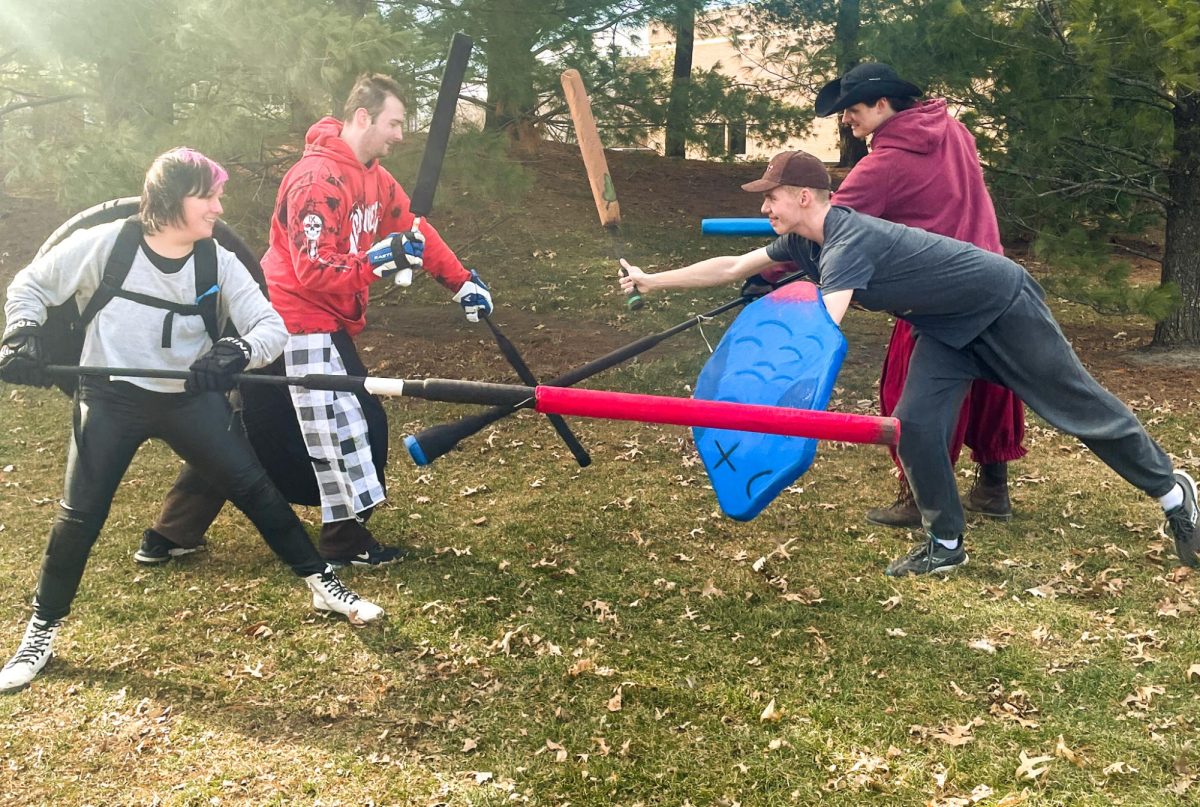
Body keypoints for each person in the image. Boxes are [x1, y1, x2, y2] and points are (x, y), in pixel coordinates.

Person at [619, 150, 1198, 577]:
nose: (764, 205)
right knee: (915, 425)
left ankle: (1174, 495)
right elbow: (729, 267)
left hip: (1000, 305)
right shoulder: (802, 244)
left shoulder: (848, 239)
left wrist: (778, 388)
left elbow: (825, 325)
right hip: (944, 328)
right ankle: (945, 542)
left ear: (805, 196)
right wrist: (653, 279)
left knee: (1079, 408)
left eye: (771, 195)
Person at [0, 148, 383, 693]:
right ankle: (39, 633)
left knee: (257, 490)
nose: (217, 208)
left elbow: (268, 327)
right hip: (111, 397)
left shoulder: (216, 259)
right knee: (79, 516)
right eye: (208, 196)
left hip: (189, 398)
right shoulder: (106, 244)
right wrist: (22, 331)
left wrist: (236, 350)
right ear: (170, 199)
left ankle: (324, 585)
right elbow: (30, 286)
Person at [135, 73, 493, 568]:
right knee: (351, 424)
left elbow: (413, 228)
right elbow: (312, 269)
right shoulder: (316, 179)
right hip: (292, 319)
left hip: (308, 319)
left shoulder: (374, 177)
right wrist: (377, 262)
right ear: (363, 117)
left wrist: (461, 282)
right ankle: (344, 542)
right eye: (393, 122)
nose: (399, 134)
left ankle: (170, 533)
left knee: (245, 428)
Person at [812, 62, 1026, 528]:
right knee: (993, 379)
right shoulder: (956, 130)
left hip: (937, 289)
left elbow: (830, 228)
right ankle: (993, 487)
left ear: (883, 103)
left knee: (912, 394)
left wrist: (779, 264)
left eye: (851, 109)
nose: (846, 119)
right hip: (995, 277)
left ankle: (917, 497)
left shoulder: (881, 165)